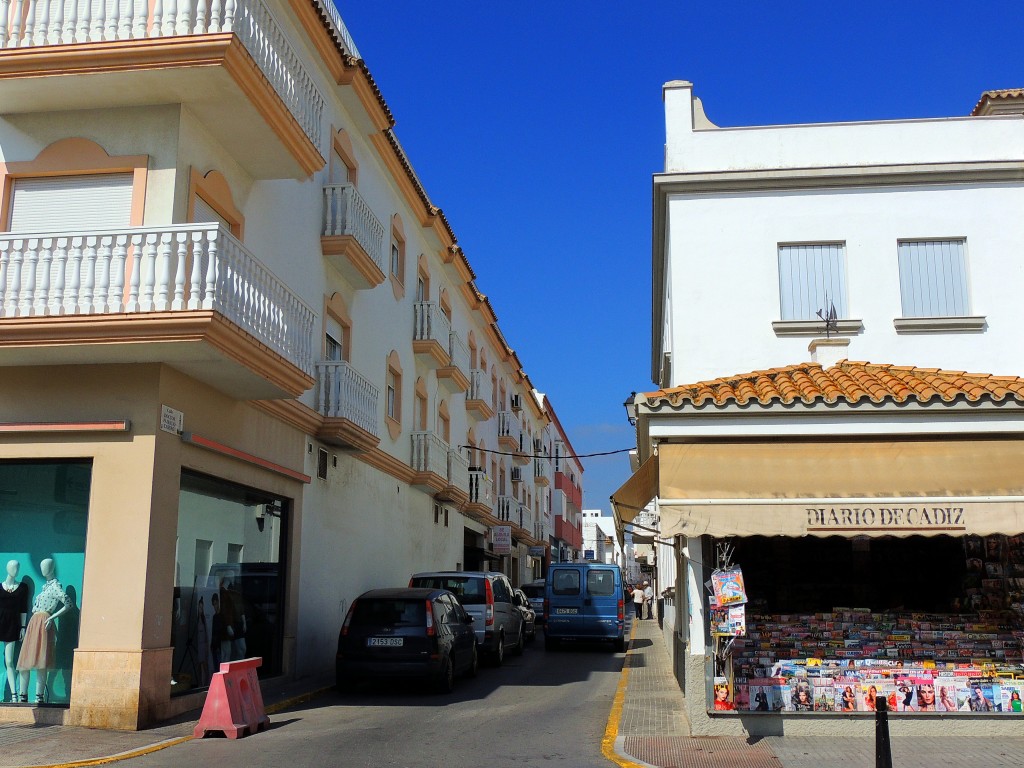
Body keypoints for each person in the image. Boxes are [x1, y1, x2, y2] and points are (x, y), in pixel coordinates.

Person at [17, 558, 71, 704]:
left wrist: (51, 617)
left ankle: (39, 696)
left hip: (43, 622)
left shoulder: (55, 586)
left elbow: (68, 604)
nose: (43, 569)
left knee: (42, 660)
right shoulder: (45, 587)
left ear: (52, 568)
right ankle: (23, 695)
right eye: (41, 566)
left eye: (46, 566)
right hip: (34, 622)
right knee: (25, 660)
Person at [0, 560, 28, 703]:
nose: (15, 570)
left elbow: (23, 608)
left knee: (9, 660)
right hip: (1, 622)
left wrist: (23, 627)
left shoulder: (23, 588)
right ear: (6, 568)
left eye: (18, 567)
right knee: (8, 661)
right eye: (13, 567)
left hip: (12, 625)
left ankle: (13, 694)